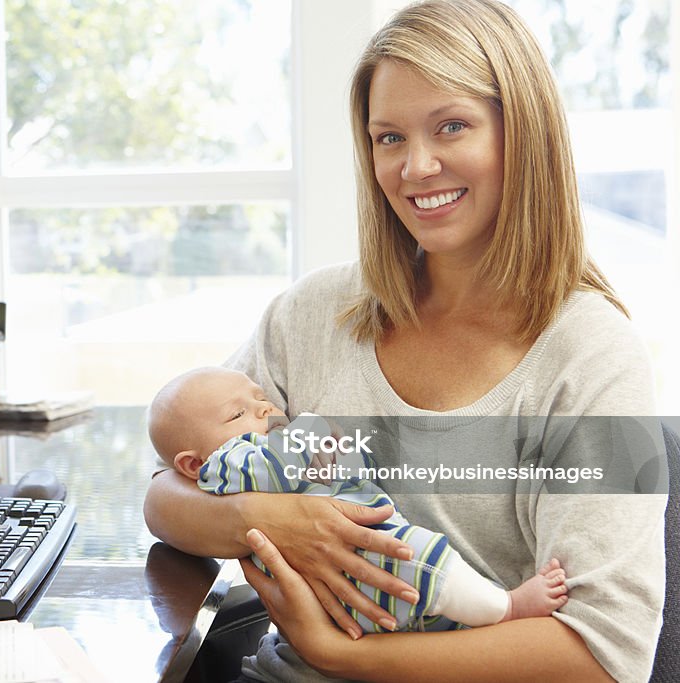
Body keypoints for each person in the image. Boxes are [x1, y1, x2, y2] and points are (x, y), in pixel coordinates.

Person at [142, 0, 666, 681]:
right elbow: (164, 495)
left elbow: (603, 655)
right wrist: (268, 518)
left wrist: (344, 653)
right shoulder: (314, 313)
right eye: (388, 137)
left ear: (523, 134)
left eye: (451, 126)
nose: (416, 167)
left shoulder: (593, 355)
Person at [148, 366, 570, 633]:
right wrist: (312, 429)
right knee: (428, 561)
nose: (263, 410)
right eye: (238, 414)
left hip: (361, 591)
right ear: (192, 463)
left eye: (262, 399)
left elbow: (352, 467)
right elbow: (161, 495)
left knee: (439, 604)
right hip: (362, 572)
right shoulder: (226, 464)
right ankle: (509, 606)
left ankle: (489, 613)